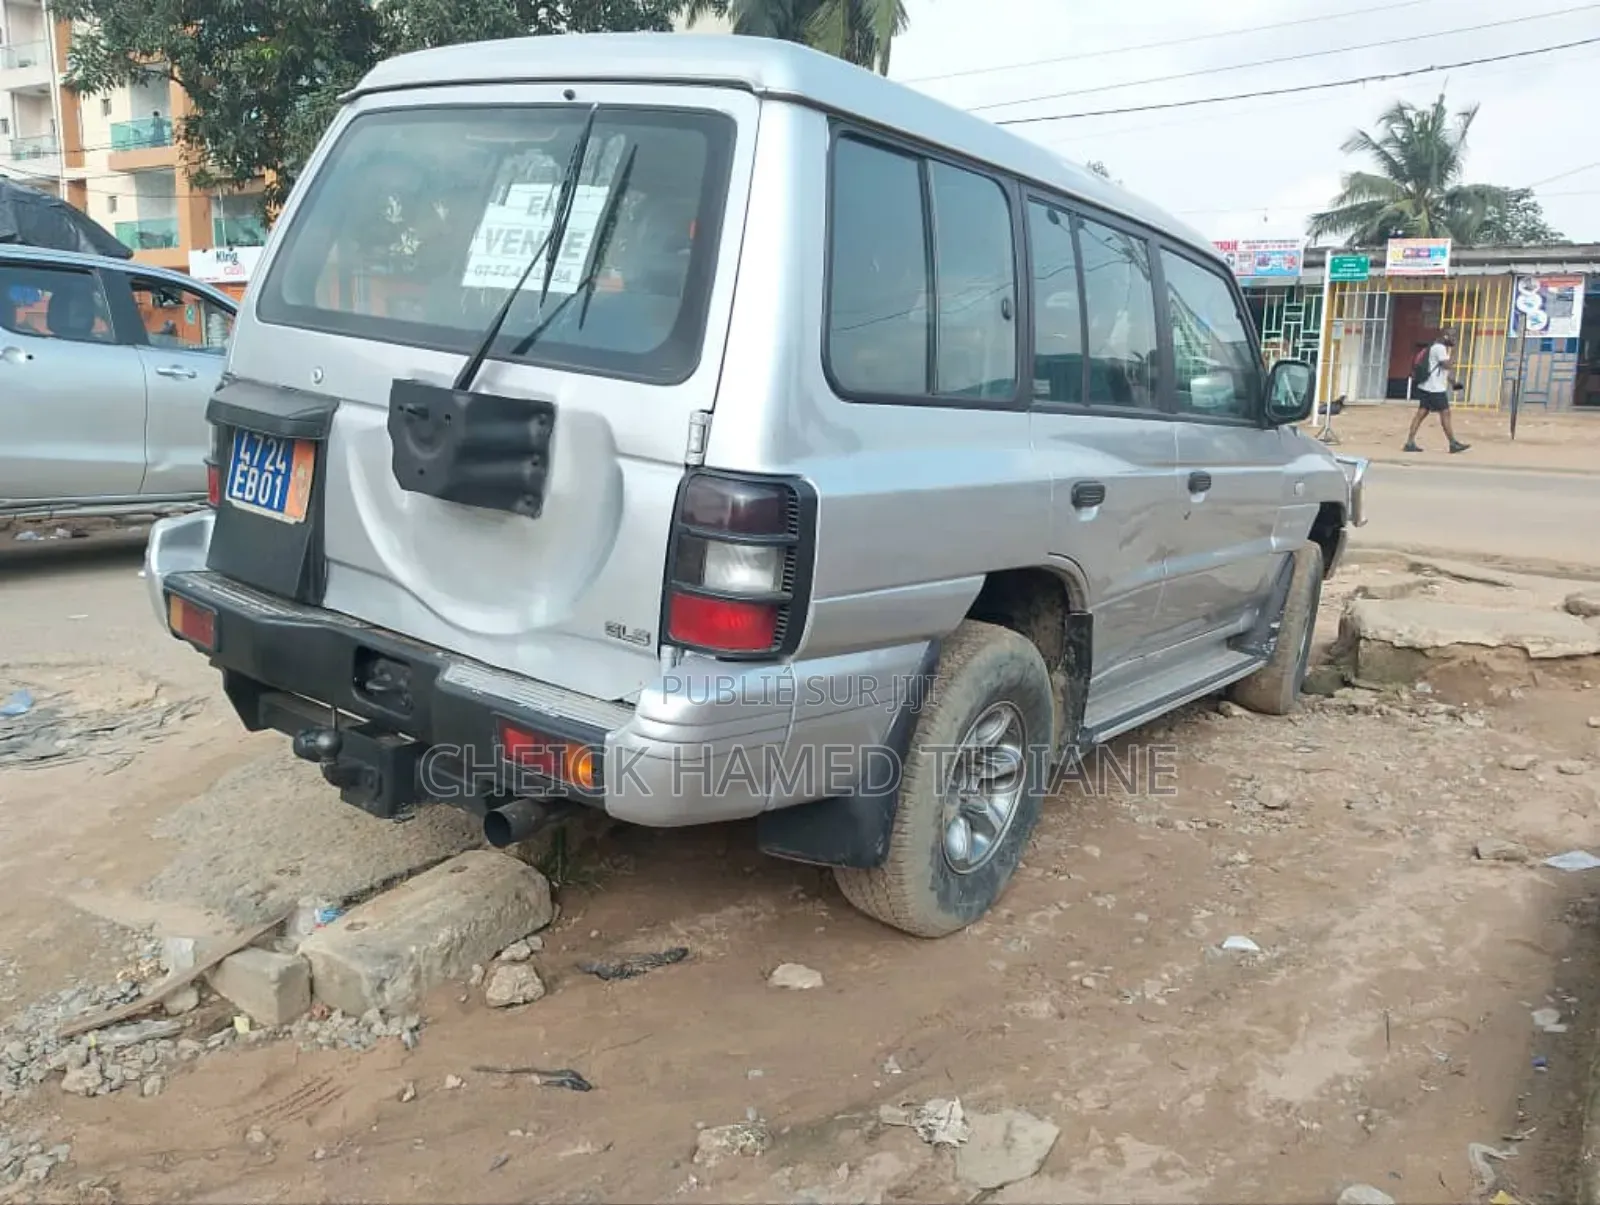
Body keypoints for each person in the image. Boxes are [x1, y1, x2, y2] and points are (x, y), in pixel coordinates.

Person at [1403, 329, 1469, 454]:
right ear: (1445, 336)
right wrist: (1454, 353)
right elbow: (1447, 365)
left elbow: (1442, 370)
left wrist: (1453, 382)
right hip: (1435, 389)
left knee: (1421, 414)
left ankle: (1409, 442)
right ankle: (1453, 443)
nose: (1454, 339)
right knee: (1445, 413)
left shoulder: (1435, 347)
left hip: (1427, 387)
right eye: (1453, 336)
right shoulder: (1439, 348)